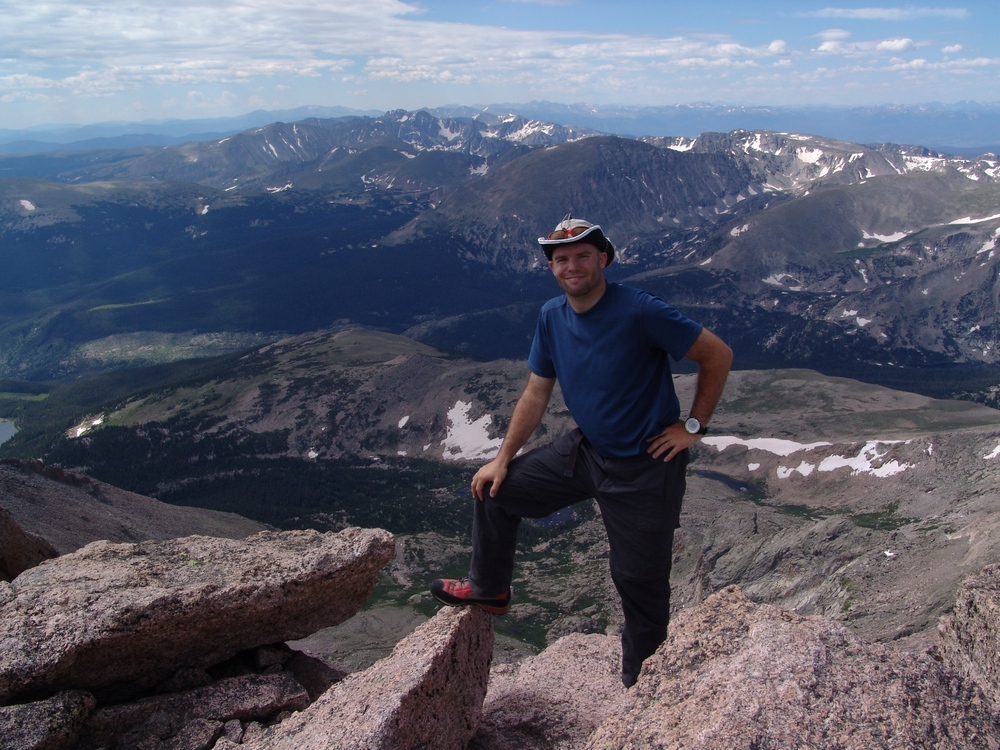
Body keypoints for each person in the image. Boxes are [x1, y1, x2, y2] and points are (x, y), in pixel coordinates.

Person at [430, 215, 733, 687]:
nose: (573, 265)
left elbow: (717, 354)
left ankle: (643, 684)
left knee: (638, 582)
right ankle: (490, 591)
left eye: (583, 256)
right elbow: (536, 392)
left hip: (647, 466)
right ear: (552, 268)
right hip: (588, 451)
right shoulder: (553, 315)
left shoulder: (639, 310)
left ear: (603, 260)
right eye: (562, 259)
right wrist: (503, 458)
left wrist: (692, 426)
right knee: (495, 491)